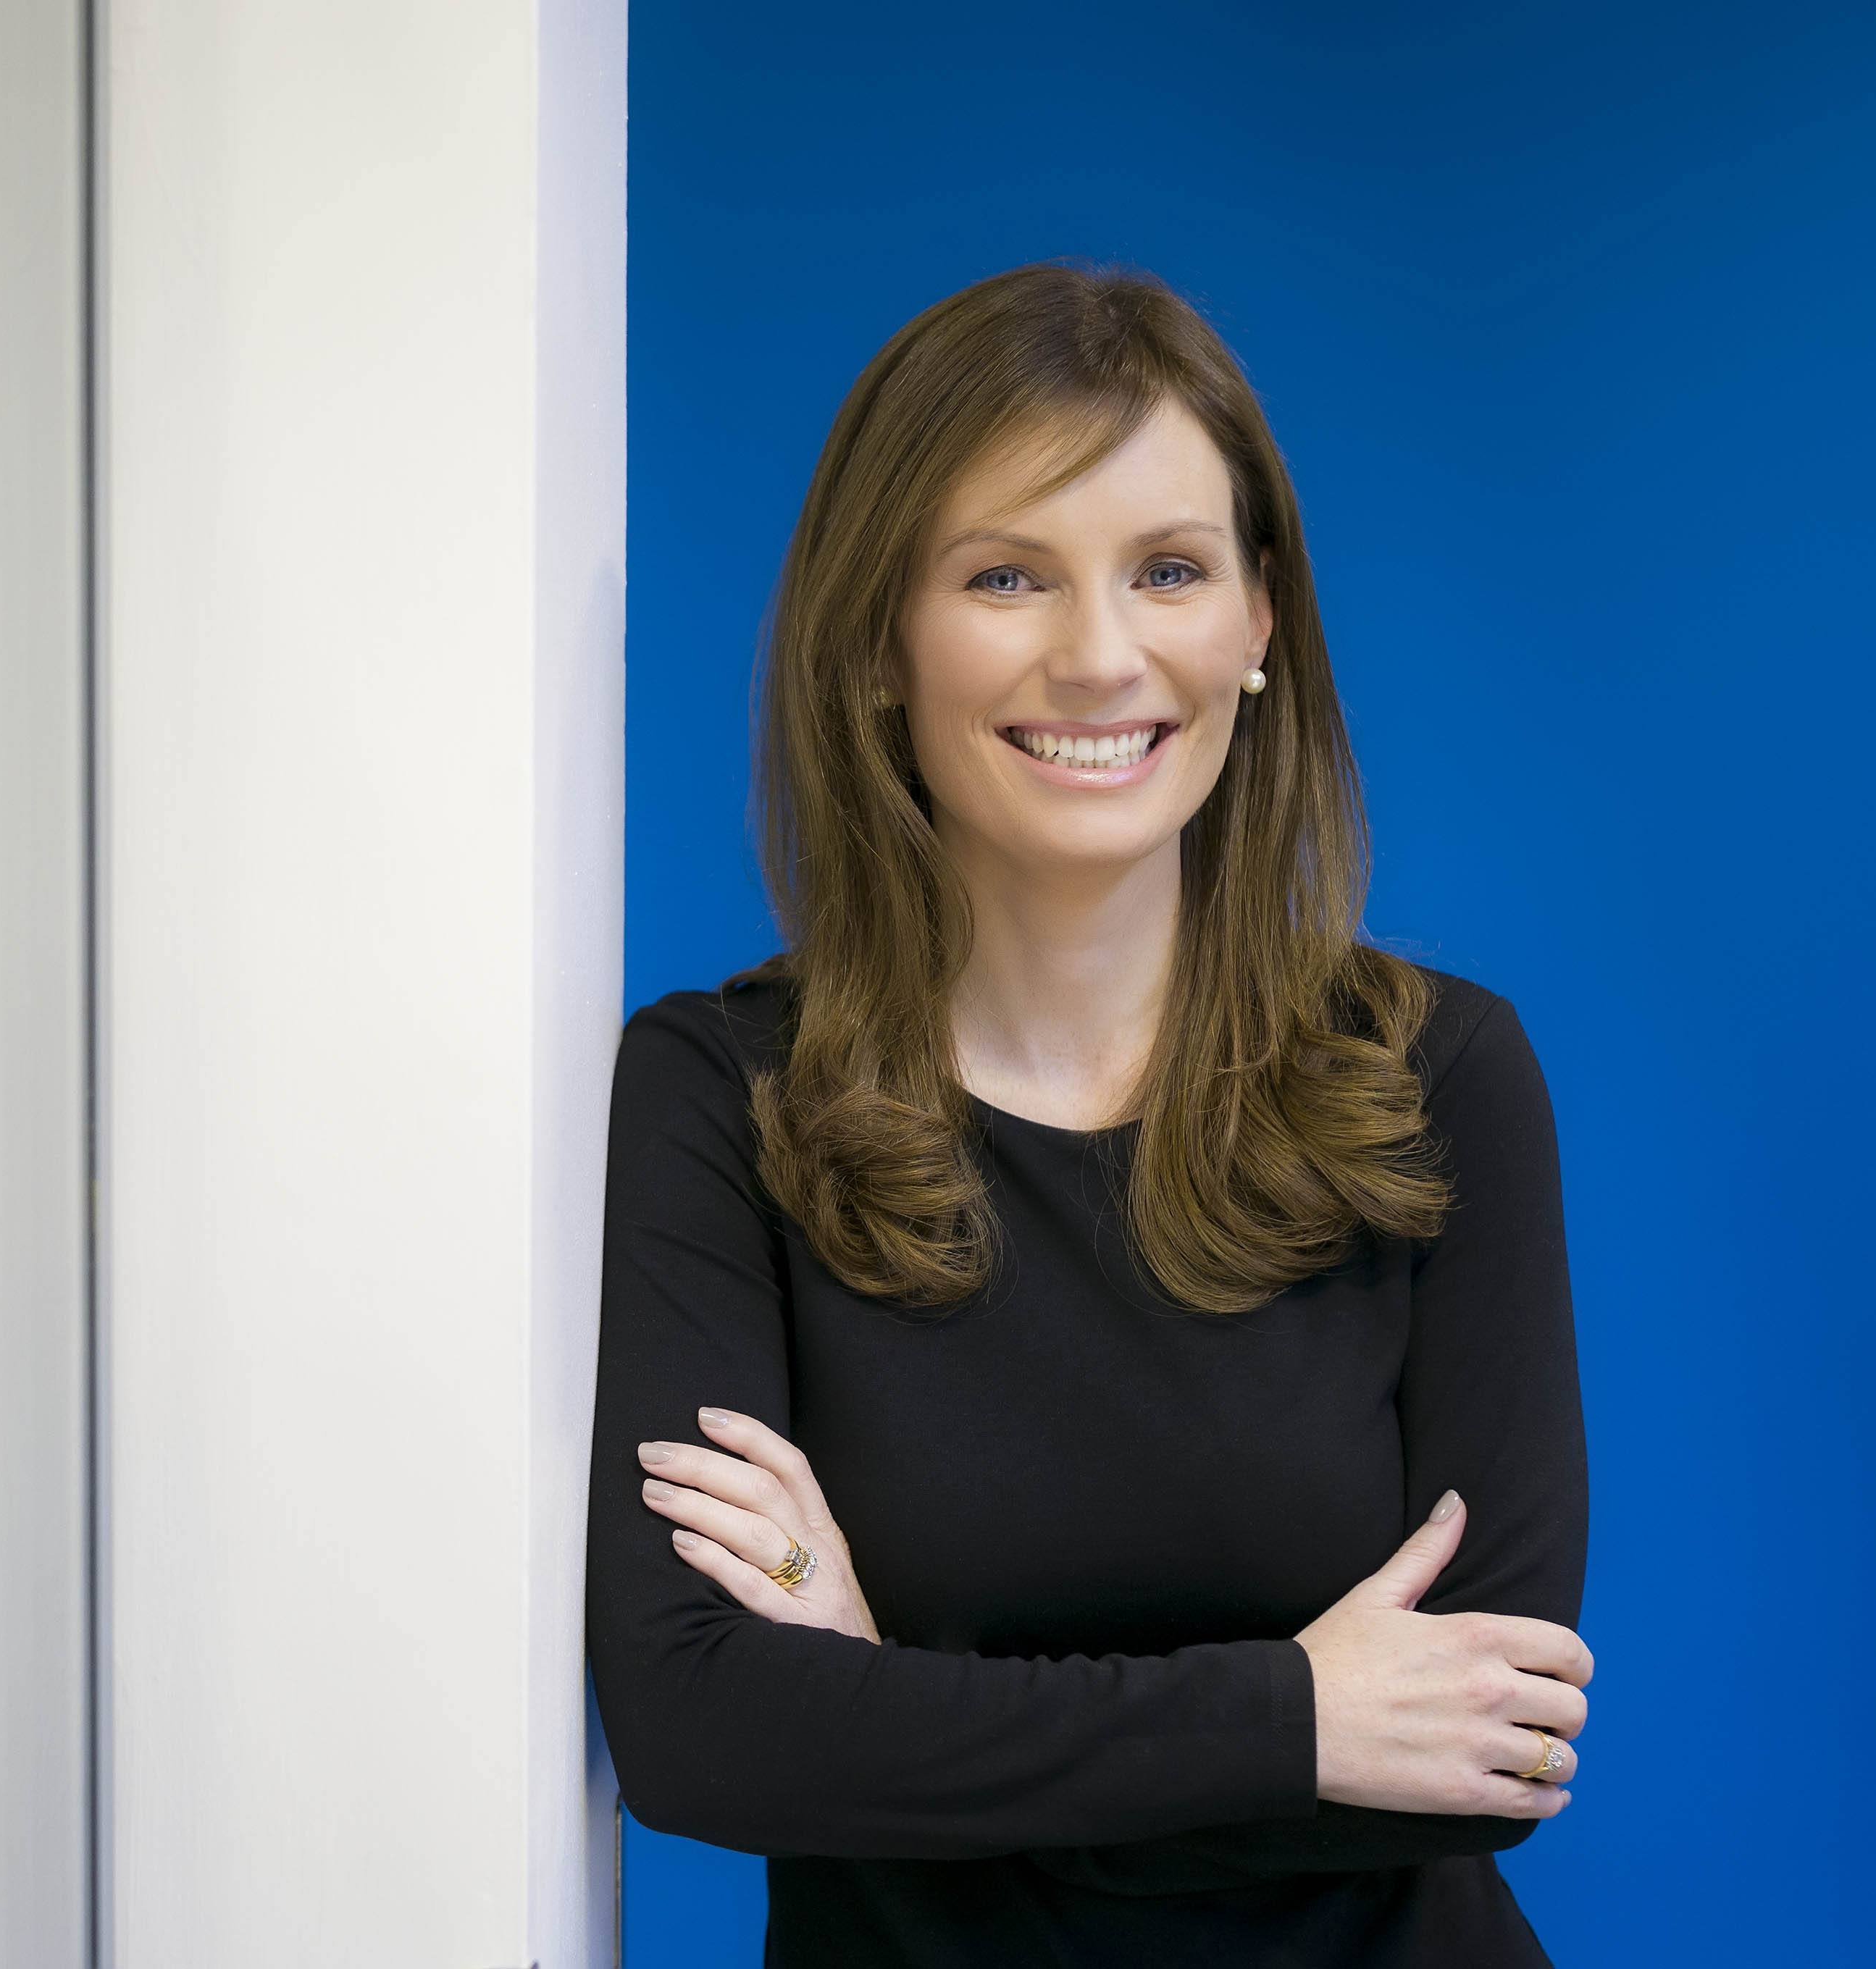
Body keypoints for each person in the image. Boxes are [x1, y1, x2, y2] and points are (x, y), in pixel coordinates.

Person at [585, 261, 1591, 1967]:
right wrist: (1298, 1716)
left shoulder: (1440, 1079)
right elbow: (701, 1733)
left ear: (1260, 623)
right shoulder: (719, 1096)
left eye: (1170, 571)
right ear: (877, 639)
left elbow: (1481, 1755)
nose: (1099, 654)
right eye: (1004, 575)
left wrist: (890, 1707)